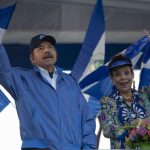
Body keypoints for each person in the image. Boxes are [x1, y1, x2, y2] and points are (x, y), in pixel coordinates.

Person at [0, 34, 96, 150]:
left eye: (50, 47)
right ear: (32, 58)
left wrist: (88, 147)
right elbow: (2, 69)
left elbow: (86, 118)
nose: (46, 50)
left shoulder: (70, 82)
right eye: (40, 48)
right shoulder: (21, 80)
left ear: (56, 54)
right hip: (38, 147)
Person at [99, 54, 150, 149]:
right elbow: (107, 130)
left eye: (126, 73)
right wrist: (134, 125)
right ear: (112, 78)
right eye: (117, 74)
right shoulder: (107, 101)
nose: (123, 77)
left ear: (132, 75)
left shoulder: (143, 97)